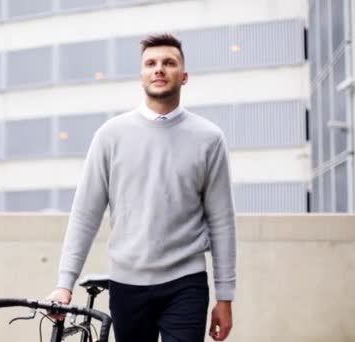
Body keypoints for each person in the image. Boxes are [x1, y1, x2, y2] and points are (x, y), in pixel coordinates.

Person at [47, 33, 236, 342]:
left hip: (186, 282)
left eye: (168, 63)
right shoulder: (110, 135)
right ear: (141, 76)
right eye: (151, 63)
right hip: (127, 284)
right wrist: (64, 284)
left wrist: (225, 297)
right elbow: (85, 214)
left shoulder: (209, 138)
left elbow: (222, 221)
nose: (159, 69)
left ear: (183, 76)